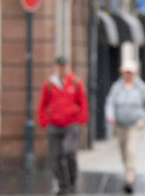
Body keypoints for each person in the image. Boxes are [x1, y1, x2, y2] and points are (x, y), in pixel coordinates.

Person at [37, 56, 89, 195]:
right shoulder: (49, 84)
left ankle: (72, 179)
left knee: (69, 151)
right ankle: (62, 183)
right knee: (55, 157)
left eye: (64, 65)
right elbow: (43, 104)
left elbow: (82, 102)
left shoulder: (75, 82)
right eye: (60, 66)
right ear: (56, 67)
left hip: (70, 124)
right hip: (54, 125)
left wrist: (80, 119)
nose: (62, 68)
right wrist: (44, 121)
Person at [105, 59, 145, 194]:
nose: (128, 75)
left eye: (130, 72)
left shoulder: (140, 87)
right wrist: (111, 116)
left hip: (134, 125)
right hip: (120, 125)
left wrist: (144, 120)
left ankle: (130, 178)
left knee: (131, 149)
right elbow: (110, 102)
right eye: (126, 72)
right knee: (124, 151)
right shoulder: (117, 87)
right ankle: (128, 171)